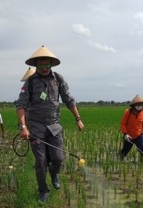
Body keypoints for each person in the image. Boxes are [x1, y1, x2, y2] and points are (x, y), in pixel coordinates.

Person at [15, 45, 84, 203]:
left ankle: (54, 174)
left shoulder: (58, 79)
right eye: (41, 66)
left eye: (47, 65)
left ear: (51, 65)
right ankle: (43, 190)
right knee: (41, 161)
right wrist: (23, 127)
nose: (44, 68)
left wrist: (78, 119)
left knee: (58, 158)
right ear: (36, 66)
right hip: (36, 127)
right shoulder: (30, 82)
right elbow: (21, 105)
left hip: (54, 126)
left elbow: (68, 99)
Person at [119, 95, 143, 160]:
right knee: (124, 152)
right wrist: (125, 134)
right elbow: (123, 124)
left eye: (140, 104)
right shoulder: (128, 112)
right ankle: (118, 162)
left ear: (142, 105)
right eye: (137, 104)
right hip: (129, 136)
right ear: (134, 105)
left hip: (139, 135)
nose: (139, 106)